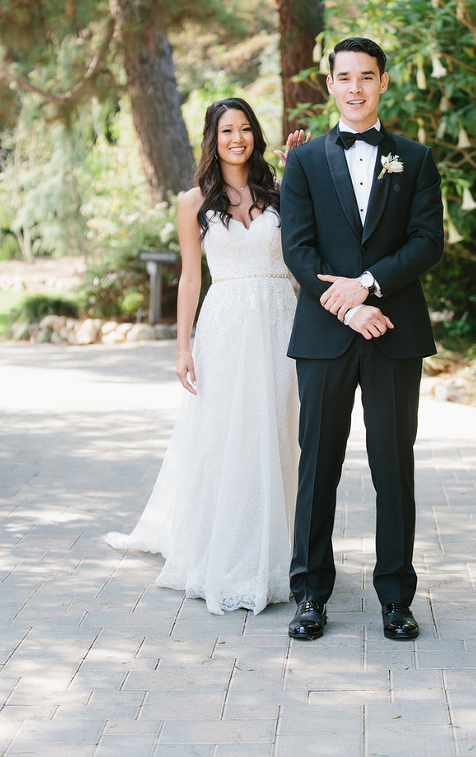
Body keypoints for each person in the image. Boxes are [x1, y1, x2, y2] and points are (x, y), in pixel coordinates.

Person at [106, 97, 303, 615]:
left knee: (276, 433)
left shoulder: (281, 193)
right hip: (226, 325)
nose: (236, 139)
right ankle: (228, 552)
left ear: (256, 136)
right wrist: (182, 346)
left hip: (280, 321)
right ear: (212, 141)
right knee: (226, 436)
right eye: (226, 131)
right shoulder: (193, 202)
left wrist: (298, 167)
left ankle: (276, 551)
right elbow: (191, 277)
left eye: (244, 129)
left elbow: (306, 254)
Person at [280, 36, 443, 642]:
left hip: (395, 334)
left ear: (382, 83)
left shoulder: (416, 159)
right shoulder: (303, 162)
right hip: (326, 337)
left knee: (393, 469)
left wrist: (369, 286)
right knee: (317, 467)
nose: (355, 87)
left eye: (366, 77)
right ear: (330, 86)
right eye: (344, 77)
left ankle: (396, 599)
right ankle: (310, 595)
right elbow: (297, 248)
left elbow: (428, 242)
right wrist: (347, 310)